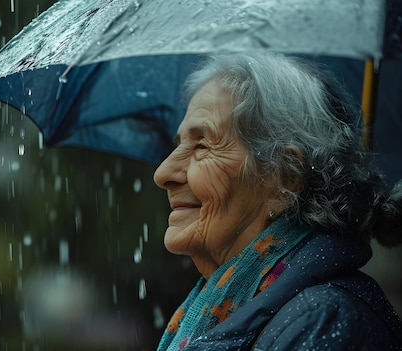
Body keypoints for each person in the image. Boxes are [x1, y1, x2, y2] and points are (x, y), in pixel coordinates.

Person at [152, 52, 402, 350]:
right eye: (180, 144)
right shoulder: (215, 309)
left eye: (203, 145)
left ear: (285, 178)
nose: (163, 172)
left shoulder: (322, 323)